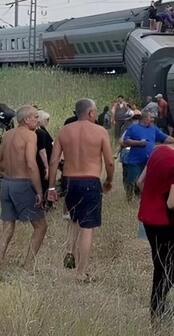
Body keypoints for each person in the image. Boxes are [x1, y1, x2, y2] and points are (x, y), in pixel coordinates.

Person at [135, 121, 174, 321]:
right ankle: (157, 309)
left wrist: (152, 198)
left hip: (146, 216)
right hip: (163, 220)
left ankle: (158, 307)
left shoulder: (157, 151)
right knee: (168, 268)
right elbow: (172, 202)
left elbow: (139, 182)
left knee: (160, 264)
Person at [47, 98, 114, 282]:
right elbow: (109, 161)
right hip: (90, 180)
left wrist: (52, 186)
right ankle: (81, 272)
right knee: (88, 227)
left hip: (69, 181)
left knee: (74, 219)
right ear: (91, 113)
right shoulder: (100, 131)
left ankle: (72, 254)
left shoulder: (64, 131)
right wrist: (109, 180)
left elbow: (53, 161)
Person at [0, 106, 47, 280]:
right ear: (26, 120)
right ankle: (27, 267)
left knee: (7, 228)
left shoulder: (7, 135)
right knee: (41, 226)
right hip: (22, 185)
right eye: (35, 117)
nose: (38, 120)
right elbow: (31, 164)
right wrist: (38, 191)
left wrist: (13, 170)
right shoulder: (31, 135)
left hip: (7, 184)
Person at [119, 110, 174, 199]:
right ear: (145, 118)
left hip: (149, 161)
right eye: (150, 117)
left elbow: (165, 138)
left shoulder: (153, 128)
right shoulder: (133, 127)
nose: (153, 119)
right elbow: (125, 140)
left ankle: (143, 198)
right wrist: (138, 143)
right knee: (133, 181)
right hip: (134, 161)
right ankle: (130, 198)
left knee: (146, 181)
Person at [35, 110, 54, 210]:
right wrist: (47, 167)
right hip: (42, 163)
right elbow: (42, 151)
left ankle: (47, 203)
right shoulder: (40, 132)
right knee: (44, 182)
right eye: (46, 119)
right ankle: (44, 204)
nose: (48, 121)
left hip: (47, 161)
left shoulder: (42, 131)